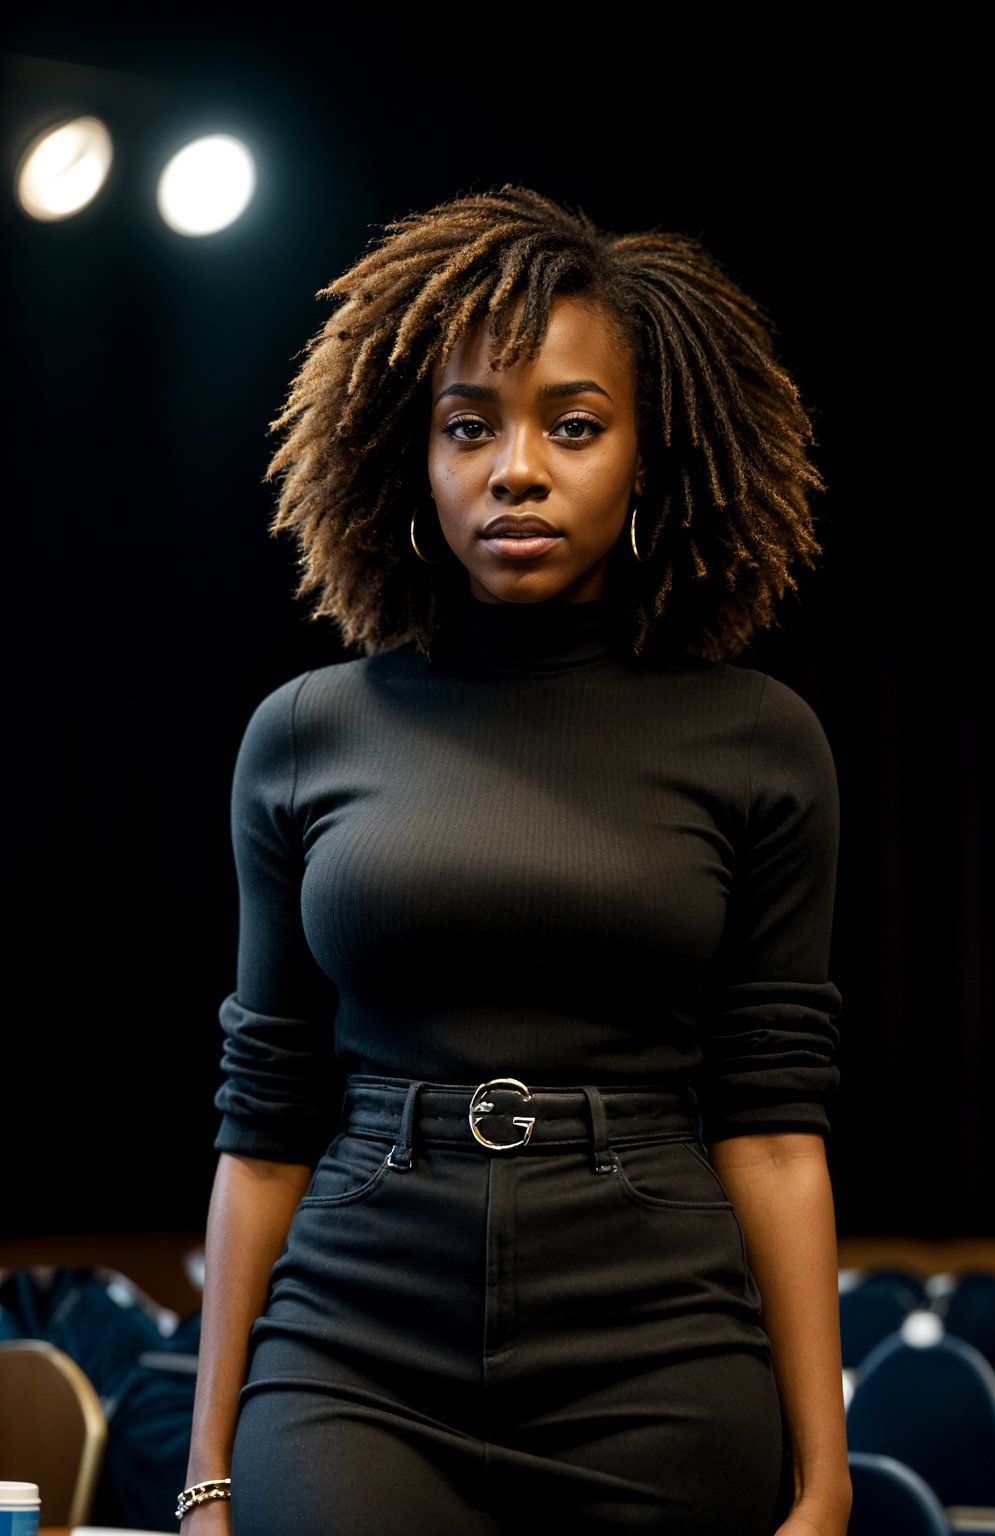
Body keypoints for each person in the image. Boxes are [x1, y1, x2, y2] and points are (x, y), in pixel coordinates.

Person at [180, 185, 851, 1536]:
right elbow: (262, 1128)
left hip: (658, 1337)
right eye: (470, 426)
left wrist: (824, 1482)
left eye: (576, 424)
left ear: (651, 456)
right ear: (412, 459)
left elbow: (775, 1129)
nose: (518, 467)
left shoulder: (759, 742)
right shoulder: (308, 733)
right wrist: (207, 1482)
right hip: (358, 1346)